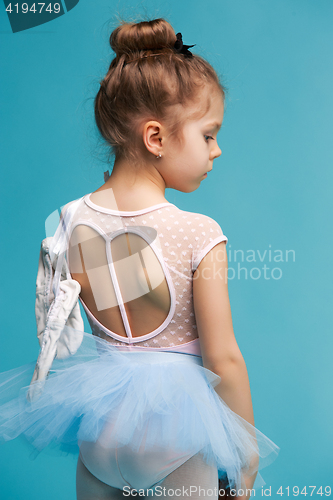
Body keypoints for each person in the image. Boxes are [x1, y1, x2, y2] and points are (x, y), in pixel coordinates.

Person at [0, 18, 279, 500]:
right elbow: (224, 357)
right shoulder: (198, 232)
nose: (217, 151)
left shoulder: (66, 220)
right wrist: (247, 457)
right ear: (156, 138)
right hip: (175, 439)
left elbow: (59, 324)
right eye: (209, 135)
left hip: (99, 432)